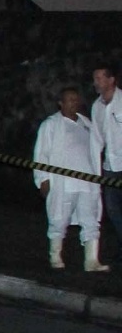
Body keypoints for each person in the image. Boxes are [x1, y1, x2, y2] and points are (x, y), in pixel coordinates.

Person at [34, 86, 107, 272]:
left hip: (87, 182)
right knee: (59, 219)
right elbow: (41, 153)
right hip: (64, 183)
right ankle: (55, 256)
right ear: (61, 103)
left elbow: (97, 146)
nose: (74, 103)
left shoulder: (86, 124)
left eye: (76, 99)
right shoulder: (51, 125)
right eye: (70, 100)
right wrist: (43, 179)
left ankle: (91, 260)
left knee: (90, 220)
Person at [90, 65, 122, 260]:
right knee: (112, 209)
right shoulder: (97, 107)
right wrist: (95, 171)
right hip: (110, 167)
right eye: (95, 78)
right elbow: (96, 140)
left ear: (111, 80)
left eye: (99, 78)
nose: (96, 82)